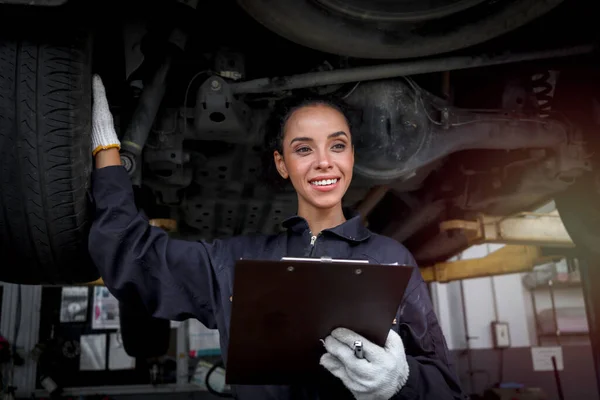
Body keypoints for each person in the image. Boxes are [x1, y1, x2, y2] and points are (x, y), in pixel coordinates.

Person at [89, 74, 465, 400]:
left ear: (351, 156)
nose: (324, 161)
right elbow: (134, 257)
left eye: (338, 145)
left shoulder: (392, 258)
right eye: (304, 149)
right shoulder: (237, 262)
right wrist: (107, 154)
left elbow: (447, 390)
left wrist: (403, 382)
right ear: (282, 164)